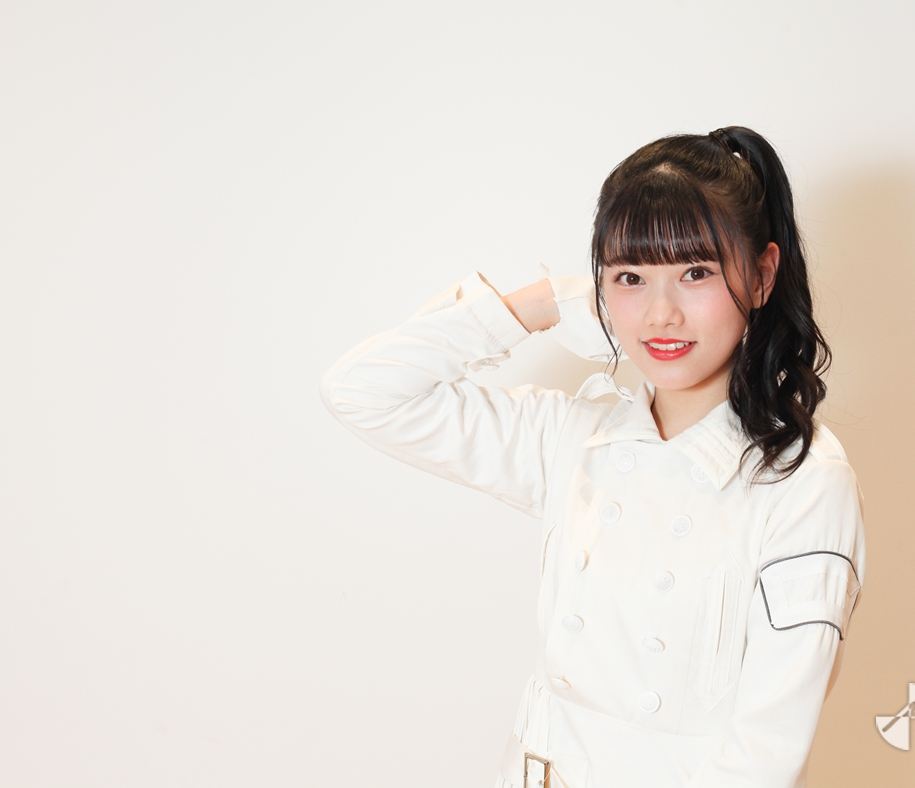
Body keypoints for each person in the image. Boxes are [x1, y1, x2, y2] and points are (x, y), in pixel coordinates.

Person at [320, 126, 866, 788]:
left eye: (695, 273)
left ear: (761, 275)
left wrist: (622, 286)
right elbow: (361, 392)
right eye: (631, 277)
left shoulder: (803, 477)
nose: (660, 315)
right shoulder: (574, 435)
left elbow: (765, 752)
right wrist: (545, 303)